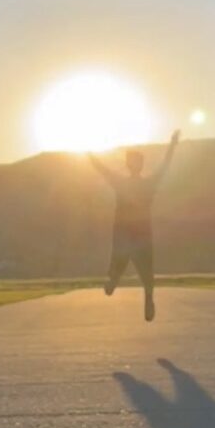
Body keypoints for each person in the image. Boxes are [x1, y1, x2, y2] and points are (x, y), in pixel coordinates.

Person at [88, 129, 181, 322]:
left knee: (121, 264)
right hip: (140, 234)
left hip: (126, 233)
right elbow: (164, 166)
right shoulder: (147, 183)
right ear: (139, 166)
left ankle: (114, 281)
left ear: (129, 166)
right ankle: (146, 296)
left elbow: (102, 169)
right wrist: (172, 145)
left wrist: (89, 155)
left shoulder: (122, 182)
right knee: (146, 273)